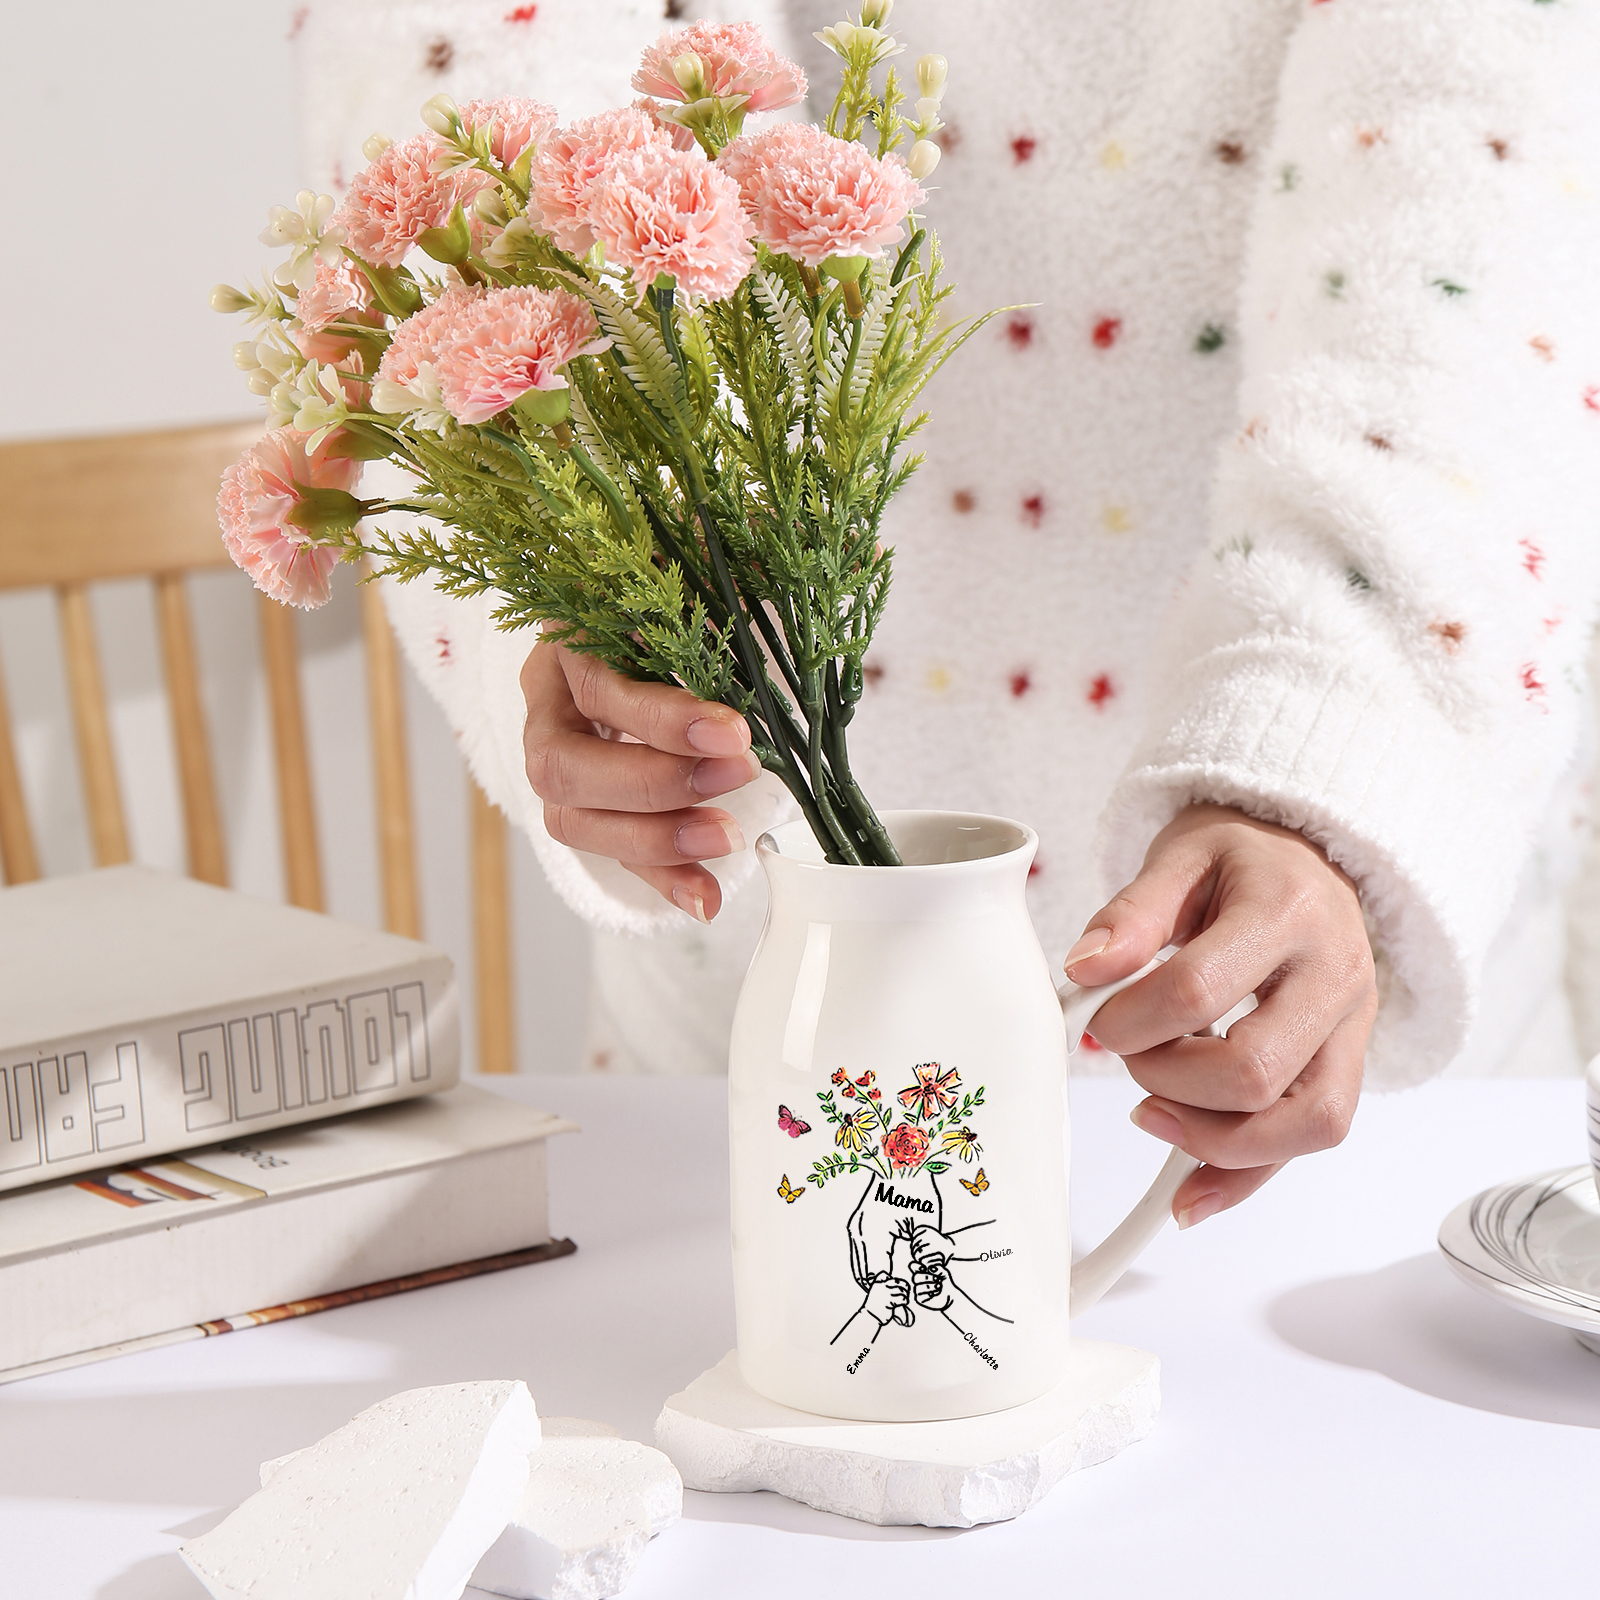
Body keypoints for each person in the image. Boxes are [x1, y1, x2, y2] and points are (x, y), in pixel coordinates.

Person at [297, 0, 1600, 1227]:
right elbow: (454, 90)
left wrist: (1323, 750)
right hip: (746, 995)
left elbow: (1483, 200)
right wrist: (600, 562)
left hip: (1335, 1028)